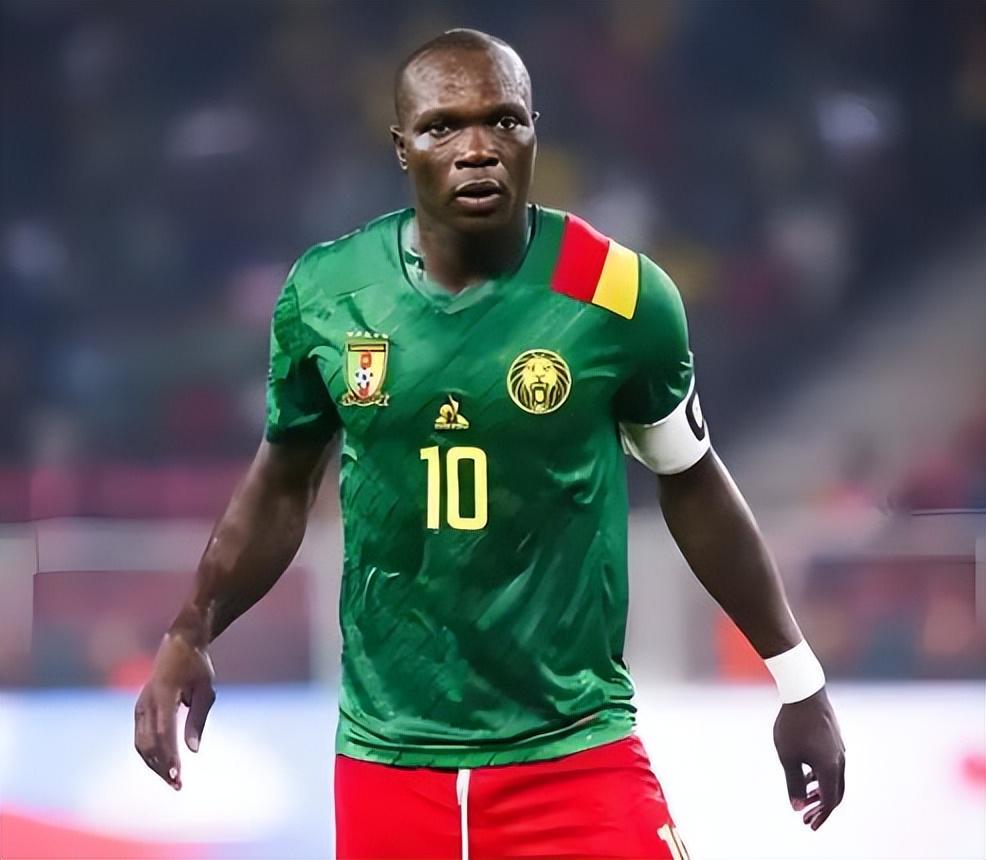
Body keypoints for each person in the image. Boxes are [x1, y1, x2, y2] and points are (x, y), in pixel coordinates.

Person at [134, 28, 846, 860]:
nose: (477, 149)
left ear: (534, 131)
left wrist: (798, 678)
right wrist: (191, 630)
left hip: (574, 752)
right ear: (401, 146)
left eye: (502, 121)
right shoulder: (329, 293)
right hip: (389, 765)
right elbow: (282, 482)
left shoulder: (619, 295)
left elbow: (691, 480)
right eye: (443, 127)